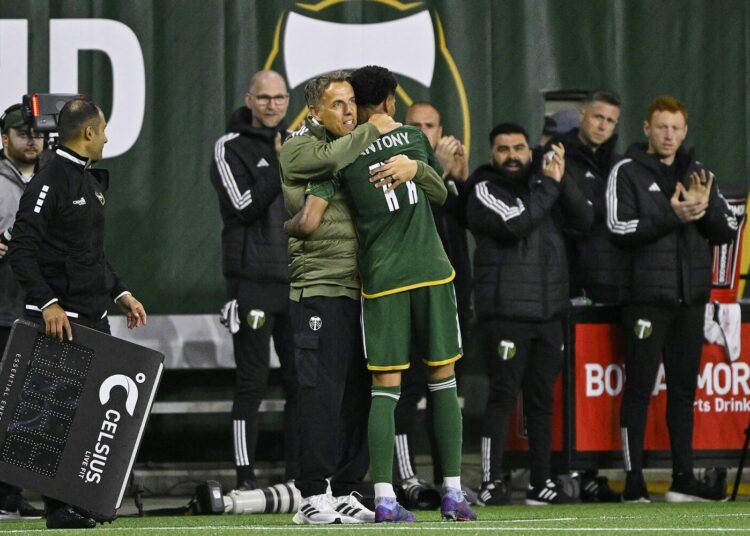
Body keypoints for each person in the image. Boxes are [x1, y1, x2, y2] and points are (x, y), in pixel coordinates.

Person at [335, 65, 476, 523]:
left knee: (386, 389)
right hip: (431, 272)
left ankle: (384, 499)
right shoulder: (413, 139)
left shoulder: (343, 150)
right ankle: (453, 493)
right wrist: (417, 166)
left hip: (381, 278)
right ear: (392, 100)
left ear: (356, 103)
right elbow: (440, 195)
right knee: (443, 381)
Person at [9, 97, 148, 529]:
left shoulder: (88, 181)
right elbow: (22, 250)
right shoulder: (50, 180)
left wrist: (120, 291)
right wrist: (48, 304)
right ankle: (57, 508)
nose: (106, 136)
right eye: (103, 129)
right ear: (88, 133)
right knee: (57, 414)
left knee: (86, 411)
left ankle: (78, 499)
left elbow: (90, 254)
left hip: (91, 315)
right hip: (60, 319)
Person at [279, 70, 401, 525]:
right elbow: (335, 157)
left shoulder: (350, 145)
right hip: (319, 288)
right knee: (322, 394)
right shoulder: (298, 147)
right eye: (338, 105)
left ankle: (348, 487)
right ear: (314, 111)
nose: (349, 112)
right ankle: (313, 493)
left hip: (360, 288)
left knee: (357, 395)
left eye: (353, 103)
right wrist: (375, 124)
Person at [606, 95, 736, 502]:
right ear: (646, 128)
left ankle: (683, 476)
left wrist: (703, 209)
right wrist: (672, 214)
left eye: (676, 128)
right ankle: (633, 481)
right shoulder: (625, 171)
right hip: (645, 300)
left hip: (690, 300)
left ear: (685, 131)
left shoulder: (700, 173)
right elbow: (618, 227)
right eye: (661, 126)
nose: (669, 135)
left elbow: (728, 228)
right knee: (640, 389)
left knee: (683, 391)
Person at [467, 122, 593, 506]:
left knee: (541, 402)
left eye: (519, 148)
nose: (511, 156)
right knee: (502, 399)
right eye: (503, 149)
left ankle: (541, 482)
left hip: (549, 313)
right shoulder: (484, 187)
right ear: (492, 154)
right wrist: (550, 186)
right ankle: (490, 481)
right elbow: (516, 224)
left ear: (529, 151)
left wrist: (561, 176)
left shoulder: (545, 184)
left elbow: (585, 220)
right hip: (507, 314)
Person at [209, 70, 300, 490]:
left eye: (280, 98)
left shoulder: (299, 145)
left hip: (296, 280)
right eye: (264, 98)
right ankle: (245, 478)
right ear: (250, 99)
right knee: (253, 382)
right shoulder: (230, 147)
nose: (272, 105)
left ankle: (300, 477)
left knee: (302, 382)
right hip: (253, 282)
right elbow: (242, 205)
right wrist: (279, 166)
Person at [392, 102, 473, 507]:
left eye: (430, 125)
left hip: (449, 290)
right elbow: (414, 210)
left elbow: (474, 223)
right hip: (406, 291)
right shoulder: (392, 165)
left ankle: (449, 480)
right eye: (415, 125)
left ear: (442, 129)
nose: (423, 132)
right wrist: (438, 172)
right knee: (404, 390)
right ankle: (405, 477)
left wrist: (461, 180)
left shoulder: (450, 171)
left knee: (445, 387)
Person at [546, 89, 624, 502]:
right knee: (564, 380)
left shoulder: (620, 163)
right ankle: (561, 468)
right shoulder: (561, 156)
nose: (602, 125)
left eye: (610, 121)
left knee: (597, 385)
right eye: (597, 117)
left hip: (608, 283)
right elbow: (576, 218)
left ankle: (590, 470)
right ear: (582, 116)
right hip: (564, 282)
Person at [0, 104, 45, 520]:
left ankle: (11, 493)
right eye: (21, 132)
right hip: (2, 307)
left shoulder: (50, 180)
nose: (31, 139)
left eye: (36, 132)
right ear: (4, 139)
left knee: (20, 407)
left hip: (30, 308)